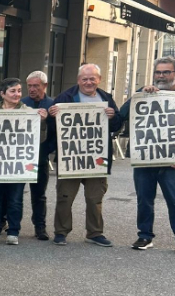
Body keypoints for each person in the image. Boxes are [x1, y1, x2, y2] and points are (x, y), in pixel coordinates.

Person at [117, 57, 175, 256]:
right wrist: (139, 94)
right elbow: (122, 114)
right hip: (145, 159)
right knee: (144, 199)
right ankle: (145, 236)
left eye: (166, 72)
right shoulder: (144, 93)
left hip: (173, 162)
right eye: (158, 72)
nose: (161, 76)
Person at [48, 64, 121, 247]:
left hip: (96, 158)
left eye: (92, 78)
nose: (88, 82)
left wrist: (114, 117)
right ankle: (61, 232)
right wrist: (52, 116)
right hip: (71, 157)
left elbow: (117, 127)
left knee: (95, 198)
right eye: (84, 79)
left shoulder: (106, 98)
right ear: (78, 80)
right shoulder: (65, 97)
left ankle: (95, 233)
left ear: (99, 79)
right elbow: (52, 128)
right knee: (65, 197)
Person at [0, 78, 48, 244]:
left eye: (19, 91)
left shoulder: (29, 112)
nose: (17, 94)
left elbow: (39, 139)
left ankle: (13, 231)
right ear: (2, 94)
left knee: (15, 199)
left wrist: (42, 122)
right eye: (13, 91)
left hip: (18, 164)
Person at [22, 71, 55, 240]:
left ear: (45, 86)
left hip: (40, 158)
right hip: (19, 157)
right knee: (14, 193)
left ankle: (40, 227)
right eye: (29, 86)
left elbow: (57, 133)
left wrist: (47, 150)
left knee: (39, 195)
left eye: (36, 85)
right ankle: (5, 222)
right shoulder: (21, 103)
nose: (32, 89)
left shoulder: (52, 105)